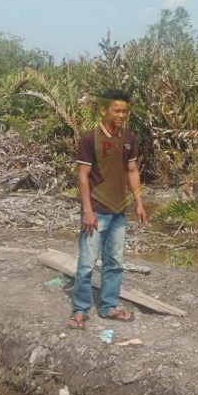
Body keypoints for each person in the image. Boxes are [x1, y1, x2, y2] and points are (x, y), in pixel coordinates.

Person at [68, 89, 147, 329]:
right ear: (104, 111)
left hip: (118, 213)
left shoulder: (129, 140)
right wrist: (87, 211)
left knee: (114, 261)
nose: (122, 115)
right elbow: (83, 178)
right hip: (96, 211)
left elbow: (132, 171)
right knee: (86, 263)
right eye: (117, 110)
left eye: (125, 111)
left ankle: (108, 306)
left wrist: (139, 202)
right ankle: (80, 309)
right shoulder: (89, 140)